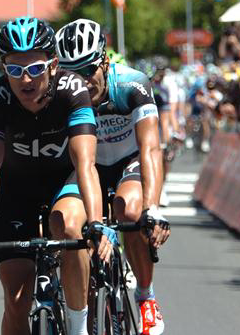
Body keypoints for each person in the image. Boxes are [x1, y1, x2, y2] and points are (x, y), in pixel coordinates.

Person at [0, 16, 116, 335]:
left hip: (64, 180)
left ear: (52, 65)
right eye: (14, 69)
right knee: (16, 302)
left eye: (34, 68)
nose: (25, 80)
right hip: (15, 191)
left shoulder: (72, 90)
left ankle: (78, 328)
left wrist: (98, 222)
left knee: (70, 226)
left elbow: (85, 163)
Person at [56, 19, 170, 335]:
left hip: (127, 163)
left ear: (105, 61)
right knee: (68, 226)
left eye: (89, 69)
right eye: (72, 73)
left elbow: (150, 149)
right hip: (85, 168)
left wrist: (153, 208)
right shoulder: (63, 96)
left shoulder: (132, 85)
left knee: (129, 210)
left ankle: (146, 296)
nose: (83, 81)